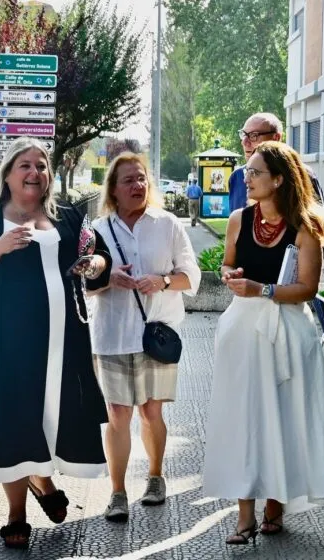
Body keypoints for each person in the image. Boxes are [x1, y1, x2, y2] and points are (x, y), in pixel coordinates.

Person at [0, 137, 111, 549]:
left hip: (62, 343)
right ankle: (16, 513)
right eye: (25, 165)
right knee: (12, 420)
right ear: (7, 173)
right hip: (6, 345)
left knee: (49, 417)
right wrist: (0, 247)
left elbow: (100, 261)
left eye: (41, 166)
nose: (34, 173)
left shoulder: (67, 216)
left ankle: (43, 480)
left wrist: (94, 263)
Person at [203, 141, 324, 545]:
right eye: (247, 171)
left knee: (282, 417)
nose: (247, 178)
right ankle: (244, 515)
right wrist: (231, 275)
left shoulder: (306, 227)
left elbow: (307, 289)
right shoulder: (237, 219)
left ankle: (275, 505)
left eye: (255, 172)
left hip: (288, 333)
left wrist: (261, 289)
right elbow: (227, 263)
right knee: (242, 417)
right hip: (242, 330)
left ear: (278, 179)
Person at [89, 153, 201, 522]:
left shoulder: (167, 224)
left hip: (157, 334)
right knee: (117, 414)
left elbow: (192, 278)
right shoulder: (97, 230)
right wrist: (107, 279)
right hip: (112, 335)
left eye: (141, 179)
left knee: (151, 411)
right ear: (113, 190)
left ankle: (155, 477)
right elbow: (83, 284)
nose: (138, 186)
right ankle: (117, 492)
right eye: (128, 181)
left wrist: (163, 281)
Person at [229, 112, 324, 211]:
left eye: (253, 135)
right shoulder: (237, 177)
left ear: (276, 138)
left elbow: (317, 222)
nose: (244, 142)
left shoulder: (303, 175)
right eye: (244, 135)